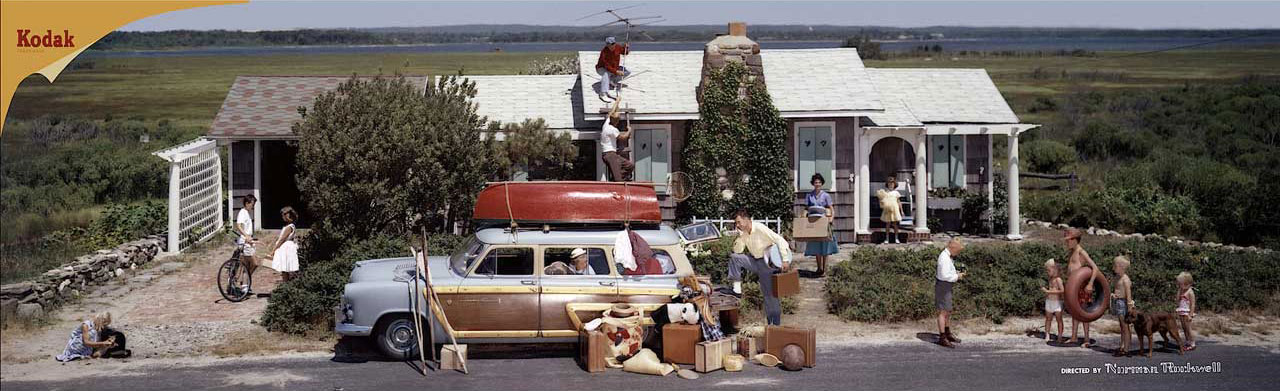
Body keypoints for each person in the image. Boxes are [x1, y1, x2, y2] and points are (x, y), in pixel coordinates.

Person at [726, 208, 791, 326]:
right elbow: (738, 251)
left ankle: (775, 324)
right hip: (756, 261)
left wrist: (785, 260)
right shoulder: (744, 233)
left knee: (769, 295)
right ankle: (736, 288)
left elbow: (779, 239)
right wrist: (740, 237)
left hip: (768, 264)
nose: (737, 225)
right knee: (734, 257)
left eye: (738, 222)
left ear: (746, 219)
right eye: (736, 223)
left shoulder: (760, 228)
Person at [1063, 228, 1101, 348]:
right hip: (1073, 288)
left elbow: (1095, 268)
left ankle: (1086, 339)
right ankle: (1074, 337)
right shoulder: (1071, 252)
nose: (1067, 242)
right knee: (1075, 312)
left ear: (1075, 240)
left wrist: (1090, 284)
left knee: (1084, 313)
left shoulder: (1081, 252)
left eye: (1069, 240)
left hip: (1082, 288)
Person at [803, 174, 838, 276]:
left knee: (825, 246)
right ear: (813, 184)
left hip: (824, 222)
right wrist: (803, 217)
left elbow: (831, 209)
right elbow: (806, 208)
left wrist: (831, 218)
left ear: (822, 183)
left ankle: (825, 269)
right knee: (816, 246)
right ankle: (819, 268)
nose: (817, 184)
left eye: (819, 182)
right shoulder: (809, 195)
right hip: (814, 222)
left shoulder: (826, 195)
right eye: (815, 182)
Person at [934, 239, 966, 348]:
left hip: (946, 285)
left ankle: (947, 333)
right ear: (953, 248)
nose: (957, 253)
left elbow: (947, 272)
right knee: (943, 312)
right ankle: (942, 337)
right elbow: (944, 276)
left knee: (947, 310)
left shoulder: (947, 256)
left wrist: (955, 273)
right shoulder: (944, 258)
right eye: (957, 251)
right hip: (943, 285)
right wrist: (958, 276)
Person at [601, 99, 634, 182]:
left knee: (630, 166)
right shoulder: (612, 129)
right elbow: (623, 138)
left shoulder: (606, 124)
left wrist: (617, 102)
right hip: (610, 155)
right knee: (618, 179)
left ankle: (620, 176)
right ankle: (618, 182)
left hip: (611, 155)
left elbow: (611, 112)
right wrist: (629, 131)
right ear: (617, 121)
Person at [266, 206, 300, 282]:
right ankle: (287, 285)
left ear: (288, 215)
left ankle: (287, 284)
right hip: (286, 248)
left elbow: (282, 240)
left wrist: (273, 251)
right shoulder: (288, 226)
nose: (282, 217)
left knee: (286, 269)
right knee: (285, 269)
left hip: (286, 248)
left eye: (284, 215)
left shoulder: (289, 227)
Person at [233, 194, 260, 287]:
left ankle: (245, 284)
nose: (253, 206)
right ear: (247, 203)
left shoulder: (247, 213)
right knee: (255, 263)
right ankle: (245, 283)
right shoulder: (242, 212)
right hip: (245, 242)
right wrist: (246, 236)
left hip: (249, 241)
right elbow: (239, 226)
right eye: (252, 204)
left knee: (247, 265)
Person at [1111, 255, 1135, 357]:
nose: (1113, 267)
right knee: (1122, 326)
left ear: (1121, 267)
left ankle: (1126, 348)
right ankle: (1122, 345)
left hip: (1124, 303)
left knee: (1125, 326)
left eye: (1115, 265)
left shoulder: (1125, 279)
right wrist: (1114, 295)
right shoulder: (1117, 278)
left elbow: (1128, 294)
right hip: (1118, 302)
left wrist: (1130, 307)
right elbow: (1118, 290)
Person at [595, 36, 631, 102]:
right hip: (602, 68)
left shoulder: (618, 47)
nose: (611, 46)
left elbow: (625, 52)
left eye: (612, 44)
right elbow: (607, 66)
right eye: (609, 44)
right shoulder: (604, 52)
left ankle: (612, 81)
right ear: (607, 45)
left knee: (627, 71)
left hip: (614, 68)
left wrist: (626, 47)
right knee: (606, 74)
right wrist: (616, 72)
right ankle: (603, 93)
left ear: (614, 43)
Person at [1041, 258, 1065, 343]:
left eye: (1049, 270)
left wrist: (1048, 291)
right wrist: (1046, 292)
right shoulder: (1050, 279)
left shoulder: (1058, 279)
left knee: (1059, 319)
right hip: (1049, 302)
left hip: (1057, 302)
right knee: (1048, 319)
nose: (1047, 273)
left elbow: (1062, 290)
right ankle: (1047, 334)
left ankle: (1060, 336)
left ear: (1055, 269)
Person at [876, 177, 903, 244]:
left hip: (895, 210)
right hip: (887, 210)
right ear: (887, 184)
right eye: (889, 184)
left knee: (895, 224)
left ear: (894, 184)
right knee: (887, 224)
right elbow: (882, 200)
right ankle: (887, 238)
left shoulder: (896, 192)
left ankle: (896, 238)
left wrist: (901, 210)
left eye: (892, 184)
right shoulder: (885, 192)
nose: (891, 185)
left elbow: (899, 202)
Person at [1175, 271, 1197, 352]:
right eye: (1179, 284)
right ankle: (1187, 341)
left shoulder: (1190, 292)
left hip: (1187, 312)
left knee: (1188, 328)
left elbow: (1192, 304)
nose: (1180, 285)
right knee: (1184, 328)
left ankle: (1192, 343)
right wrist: (1179, 292)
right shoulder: (1181, 290)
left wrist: (1190, 315)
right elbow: (1177, 300)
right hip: (1181, 311)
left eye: (1181, 284)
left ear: (1187, 283)